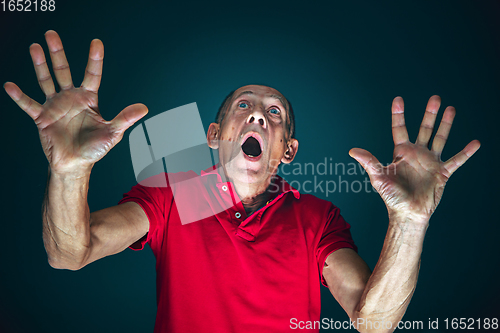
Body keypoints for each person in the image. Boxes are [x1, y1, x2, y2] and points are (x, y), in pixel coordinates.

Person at [4, 30, 480, 333]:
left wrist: (410, 222)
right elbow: (69, 254)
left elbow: (373, 322)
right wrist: (69, 172)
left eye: (274, 113)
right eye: (244, 106)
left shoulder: (317, 219)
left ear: (286, 151)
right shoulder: (169, 197)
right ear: (216, 135)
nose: (257, 115)